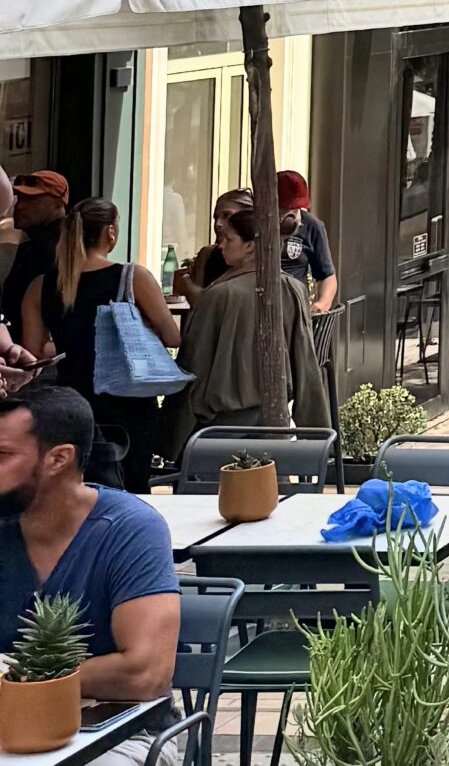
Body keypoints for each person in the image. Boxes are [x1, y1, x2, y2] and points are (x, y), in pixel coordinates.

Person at [0, 388, 177, 704]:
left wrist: (19, 680)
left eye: (2, 455)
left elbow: (146, 674)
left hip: (115, 722)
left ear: (59, 458)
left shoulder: (130, 529)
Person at [22, 201, 175, 495]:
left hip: (73, 401)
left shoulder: (41, 286)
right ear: (110, 233)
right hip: (129, 402)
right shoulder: (133, 277)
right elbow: (172, 337)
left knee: (76, 488)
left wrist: (71, 340)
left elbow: (34, 353)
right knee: (133, 490)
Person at [164, 207, 325, 458]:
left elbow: (194, 364)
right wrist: (315, 428)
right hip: (276, 419)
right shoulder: (293, 288)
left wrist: (171, 433)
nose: (221, 246)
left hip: (220, 425)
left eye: (229, 239)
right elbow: (306, 363)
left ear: (249, 246)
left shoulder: (221, 295)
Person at [0, 175, 66, 328]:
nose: (20, 205)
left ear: (58, 202)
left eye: (31, 199)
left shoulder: (66, 248)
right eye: (19, 198)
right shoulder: (28, 246)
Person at [172, 191, 252, 311]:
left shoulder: (258, 263)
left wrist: (188, 287)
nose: (218, 224)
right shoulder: (207, 255)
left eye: (227, 215)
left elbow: (218, 308)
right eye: (216, 217)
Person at [273, 171, 338, 314]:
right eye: (284, 210)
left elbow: (327, 275)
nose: (291, 216)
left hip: (295, 307)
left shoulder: (312, 226)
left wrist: (322, 303)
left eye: (296, 209)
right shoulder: (252, 223)